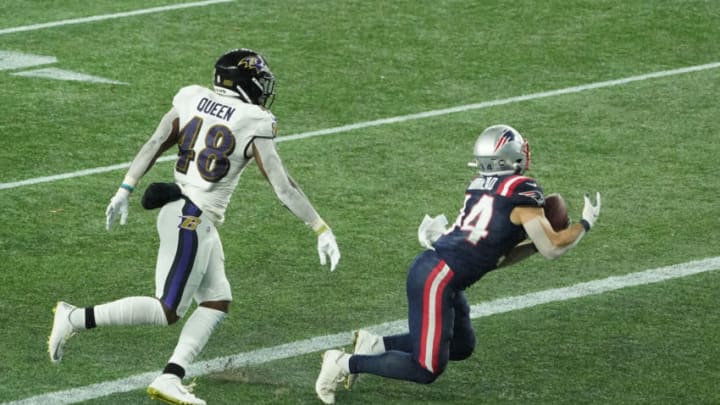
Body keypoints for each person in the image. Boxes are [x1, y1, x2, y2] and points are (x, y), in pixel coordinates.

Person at [48, 48, 341, 405]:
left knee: (216, 301)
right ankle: (75, 317)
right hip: (191, 217)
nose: (264, 87)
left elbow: (156, 142)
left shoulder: (193, 98)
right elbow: (283, 186)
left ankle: (171, 376)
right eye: (259, 79)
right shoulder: (253, 120)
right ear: (243, 82)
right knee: (166, 309)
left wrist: (125, 188)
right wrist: (319, 227)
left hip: (181, 210)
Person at [315, 124, 600, 404]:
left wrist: (536, 246)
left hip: (442, 274)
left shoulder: (478, 186)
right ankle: (343, 363)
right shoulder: (522, 190)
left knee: (461, 345)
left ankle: (375, 345)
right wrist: (585, 223)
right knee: (426, 368)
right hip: (437, 277)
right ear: (507, 156)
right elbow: (553, 248)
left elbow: (500, 259)